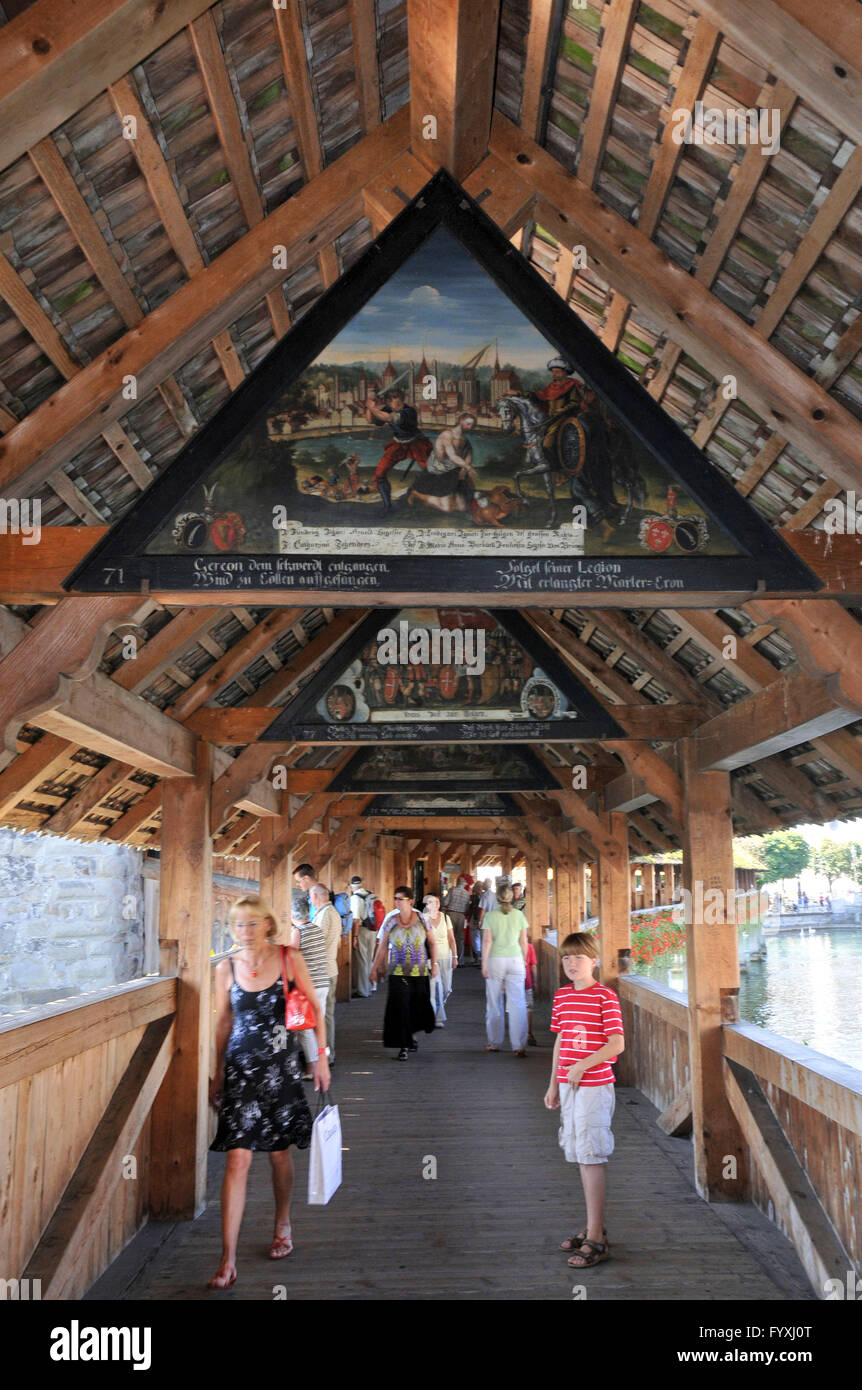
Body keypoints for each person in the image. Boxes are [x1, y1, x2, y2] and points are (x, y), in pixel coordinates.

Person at [208, 895, 329, 1288]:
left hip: (280, 1070)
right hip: (240, 1072)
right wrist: (215, 1074)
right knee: (236, 1159)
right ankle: (227, 1259)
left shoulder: (289, 959)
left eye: (252, 924)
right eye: (238, 925)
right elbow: (223, 1023)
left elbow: (314, 1008)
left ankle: (283, 1223)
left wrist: (321, 1059)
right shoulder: (224, 967)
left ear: (268, 925)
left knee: (279, 1154)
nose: (244, 932)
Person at [544, 931, 625, 1271]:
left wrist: (582, 1065)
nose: (572, 963)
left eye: (579, 957)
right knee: (579, 1153)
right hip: (568, 1085)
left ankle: (596, 1237)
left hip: (594, 1086)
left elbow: (616, 1044)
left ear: (594, 960)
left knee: (591, 1155)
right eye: (566, 958)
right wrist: (553, 1084)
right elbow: (560, 1042)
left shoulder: (604, 996)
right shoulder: (562, 996)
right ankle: (594, 1226)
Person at [370, 886, 437, 1061]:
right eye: (395, 898)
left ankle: (411, 1036)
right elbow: (382, 946)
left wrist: (434, 964)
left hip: (419, 971)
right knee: (401, 1008)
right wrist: (375, 967)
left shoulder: (422, 919)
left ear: (411, 901)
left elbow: (432, 942)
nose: (397, 901)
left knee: (416, 1006)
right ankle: (404, 1045)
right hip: (397, 971)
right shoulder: (391, 920)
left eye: (401, 898)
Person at [364, 387, 432, 514]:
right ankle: (388, 507)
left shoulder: (409, 411)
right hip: (398, 445)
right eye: (391, 401)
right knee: (380, 474)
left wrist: (372, 407)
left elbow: (389, 418)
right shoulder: (388, 409)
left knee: (432, 471)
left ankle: (436, 500)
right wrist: (369, 405)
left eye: (398, 401)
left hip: (416, 444)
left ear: (402, 400)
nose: (395, 404)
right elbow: (370, 420)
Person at [481, 882, 529, 1056]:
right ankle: (519, 1045)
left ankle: (494, 1042)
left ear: (497, 898)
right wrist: (523, 960)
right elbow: (523, 941)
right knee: (517, 1003)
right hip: (515, 959)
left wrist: (484, 963)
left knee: (494, 1003)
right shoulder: (519, 915)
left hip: (495, 960)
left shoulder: (490, 916)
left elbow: (487, 942)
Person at [292, 899, 330, 1081]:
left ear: (292, 915)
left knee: (305, 1028)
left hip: (309, 986)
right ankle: (319, 1062)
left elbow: (290, 958)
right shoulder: (317, 929)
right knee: (317, 1024)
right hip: (323, 983)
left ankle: (312, 1066)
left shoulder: (297, 932)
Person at [310, 883, 342, 1067]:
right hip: (330, 968)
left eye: (311, 896)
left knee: (324, 1015)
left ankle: (327, 1053)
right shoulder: (332, 913)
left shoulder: (324, 915)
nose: (311, 900)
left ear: (317, 896)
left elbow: (316, 942)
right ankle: (326, 1052)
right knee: (327, 1014)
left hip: (323, 971)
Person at [423, 893, 457, 1026]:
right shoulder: (423, 919)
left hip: (446, 956)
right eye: (431, 902)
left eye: (436, 902)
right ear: (427, 904)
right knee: (435, 988)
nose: (434, 905)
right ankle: (436, 1017)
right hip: (431, 959)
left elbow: (452, 939)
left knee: (446, 988)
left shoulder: (445, 918)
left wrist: (454, 956)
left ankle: (439, 1007)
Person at [349, 874, 376, 997]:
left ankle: (364, 991)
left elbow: (356, 920)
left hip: (362, 931)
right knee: (370, 959)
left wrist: (354, 937)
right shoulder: (371, 894)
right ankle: (372, 985)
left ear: (351, 886)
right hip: (373, 930)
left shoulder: (355, 898)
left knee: (362, 961)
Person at [443, 876, 471, 963]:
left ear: (457, 882)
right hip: (461, 916)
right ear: (463, 885)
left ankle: (449, 957)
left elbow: (445, 902)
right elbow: (467, 907)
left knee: (449, 936)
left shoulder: (452, 890)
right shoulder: (467, 893)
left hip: (451, 914)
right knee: (460, 938)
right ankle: (460, 959)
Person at [525, 935, 538, 1047]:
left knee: (514, 1009)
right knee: (528, 1008)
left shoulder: (510, 948)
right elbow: (533, 966)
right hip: (527, 982)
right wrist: (535, 982)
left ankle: (517, 1034)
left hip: (513, 983)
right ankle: (528, 1033)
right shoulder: (529, 947)